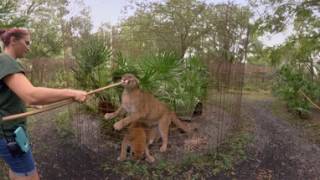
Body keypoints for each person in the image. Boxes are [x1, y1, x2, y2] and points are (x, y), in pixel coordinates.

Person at [0, 28, 87, 180]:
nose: (29, 47)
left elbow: (7, 97)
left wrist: (27, 105)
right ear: (13, 40)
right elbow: (31, 95)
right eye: (26, 43)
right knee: (30, 176)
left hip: (8, 134)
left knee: (16, 170)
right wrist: (71, 92)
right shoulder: (6, 61)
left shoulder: (5, 62)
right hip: (9, 136)